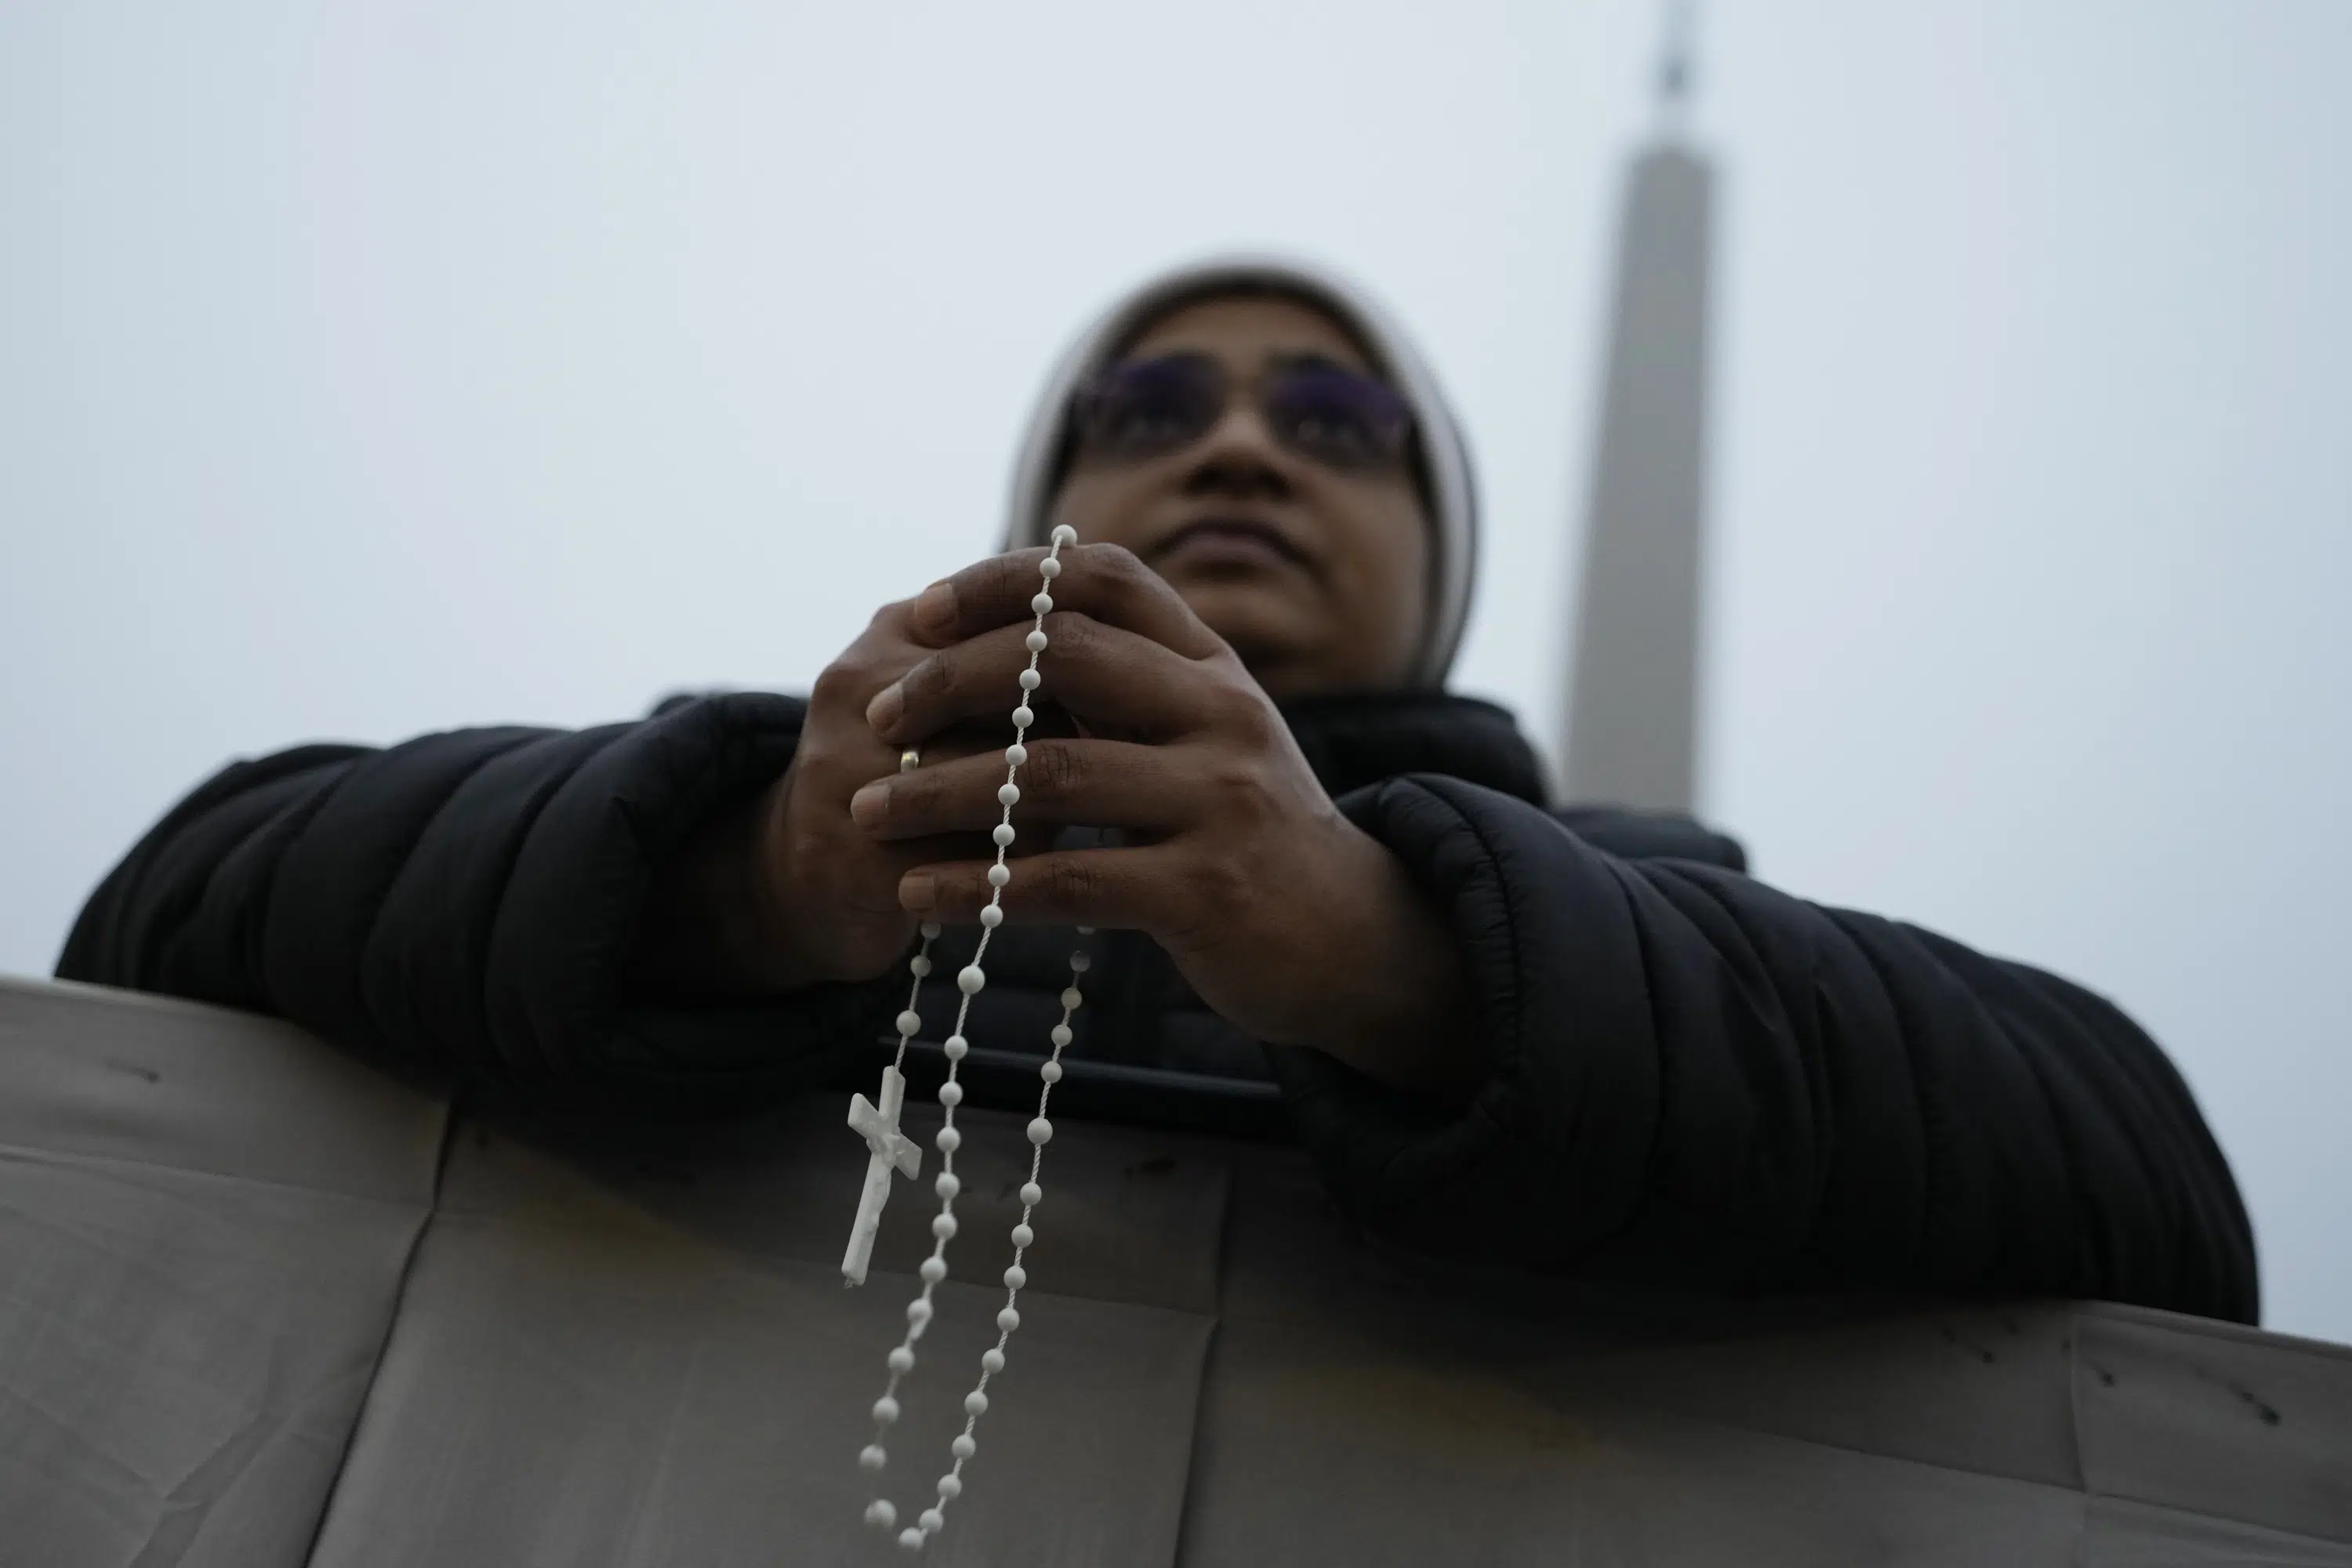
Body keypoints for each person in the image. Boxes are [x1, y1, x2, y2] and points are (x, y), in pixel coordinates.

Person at [57, 257, 2258, 1323]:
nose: (1237, 445)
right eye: (1150, 398)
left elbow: (2154, 1191)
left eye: (1336, 413)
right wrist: (743, 885)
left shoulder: (1656, 904)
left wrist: (1403, 955)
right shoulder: (720, 805)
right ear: (1059, 491)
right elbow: (163, 916)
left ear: (1434, 568)